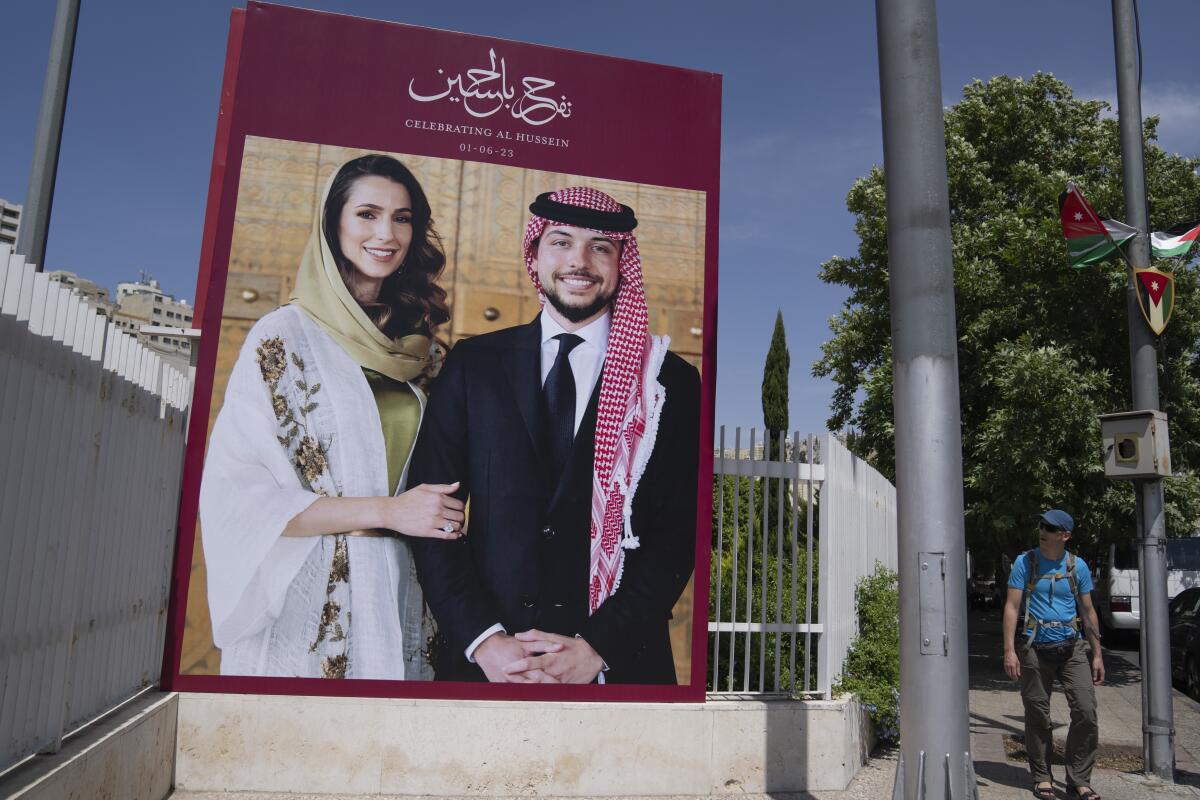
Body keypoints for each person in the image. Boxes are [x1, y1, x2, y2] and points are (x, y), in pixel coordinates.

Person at [409, 186, 700, 684]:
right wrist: (485, 640)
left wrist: (596, 649)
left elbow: (678, 537)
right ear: (536, 254)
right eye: (561, 242)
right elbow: (435, 516)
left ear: (620, 262)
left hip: (619, 665)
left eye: (600, 247)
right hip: (487, 664)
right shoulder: (474, 364)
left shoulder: (665, 382)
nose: (579, 261)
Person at [200, 154, 464, 680]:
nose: (386, 233)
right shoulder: (284, 338)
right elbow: (243, 500)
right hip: (314, 596)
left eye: (402, 217)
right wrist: (389, 511)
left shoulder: (422, 351)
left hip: (410, 591)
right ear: (333, 223)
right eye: (367, 214)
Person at [1002, 509, 1105, 800]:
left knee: (1086, 710)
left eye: (1050, 527)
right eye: (1041, 525)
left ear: (1065, 535)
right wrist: (1009, 651)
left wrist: (1097, 654)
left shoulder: (1077, 566)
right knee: (1038, 714)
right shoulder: (1026, 562)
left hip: (1072, 647)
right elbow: (1012, 607)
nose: (1042, 531)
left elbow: (1088, 611)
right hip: (1035, 648)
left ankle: (1079, 779)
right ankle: (1042, 777)